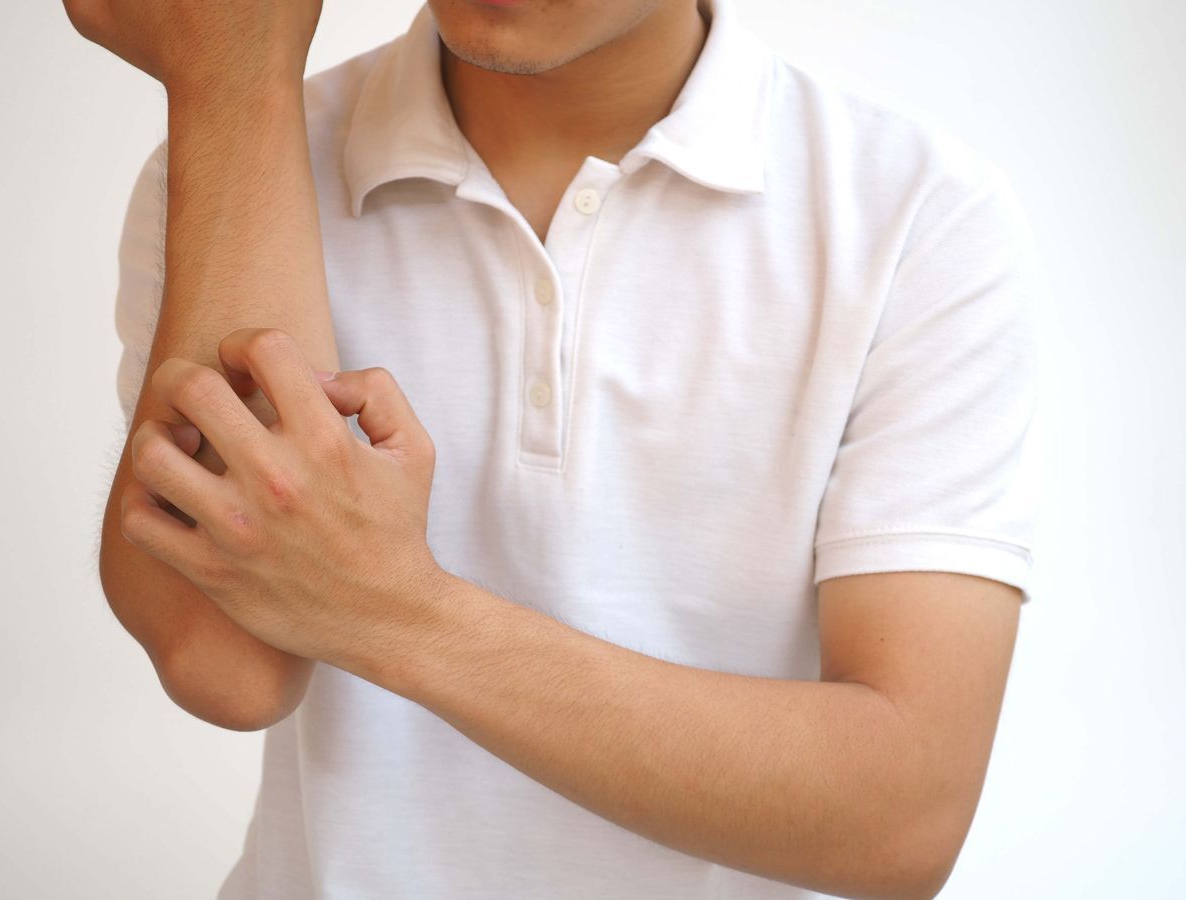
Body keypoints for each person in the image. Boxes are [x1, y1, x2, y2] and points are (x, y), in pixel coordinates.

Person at [70, 0, 1042, 896]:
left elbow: (900, 817)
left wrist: (396, 610)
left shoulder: (912, 215)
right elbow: (227, 665)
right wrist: (234, 84)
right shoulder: (242, 155)